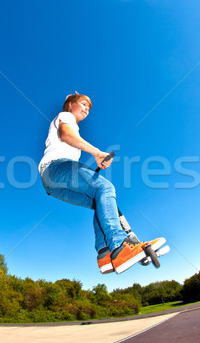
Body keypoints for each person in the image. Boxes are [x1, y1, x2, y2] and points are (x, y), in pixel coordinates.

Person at [39, 93, 158, 274]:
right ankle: (119, 245)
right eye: (83, 104)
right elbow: (65, 135)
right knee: (105, 187)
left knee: (100, 202)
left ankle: (105, 254)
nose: (87, 108)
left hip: (51, 184)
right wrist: (97, 153)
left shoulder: (72, 125)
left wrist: (97, 161)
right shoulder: (66, 116)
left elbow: (69, 140)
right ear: (70, 105)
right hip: (56, 167)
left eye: (89, 107)